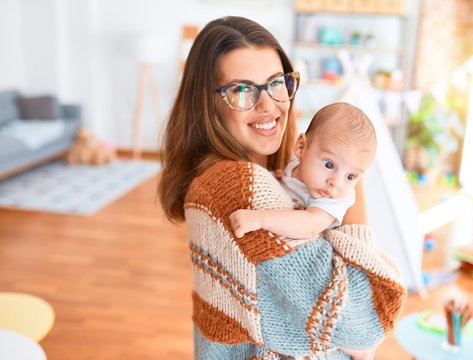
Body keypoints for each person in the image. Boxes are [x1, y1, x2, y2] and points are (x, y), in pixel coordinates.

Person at [158, 16, 406, 359]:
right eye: (242, 89)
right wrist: (354, 188)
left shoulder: (277, 171)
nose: (268, 105)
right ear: (208, 103)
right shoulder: (236, 187)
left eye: (276, 83)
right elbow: (367, 320)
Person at [229, 102, 376, 240]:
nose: (336, 183)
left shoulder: (333, 202)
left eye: (351, 176)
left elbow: (309, 226)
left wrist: (260, 219)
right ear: (300, 147)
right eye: (329, 165)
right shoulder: (295, 163)